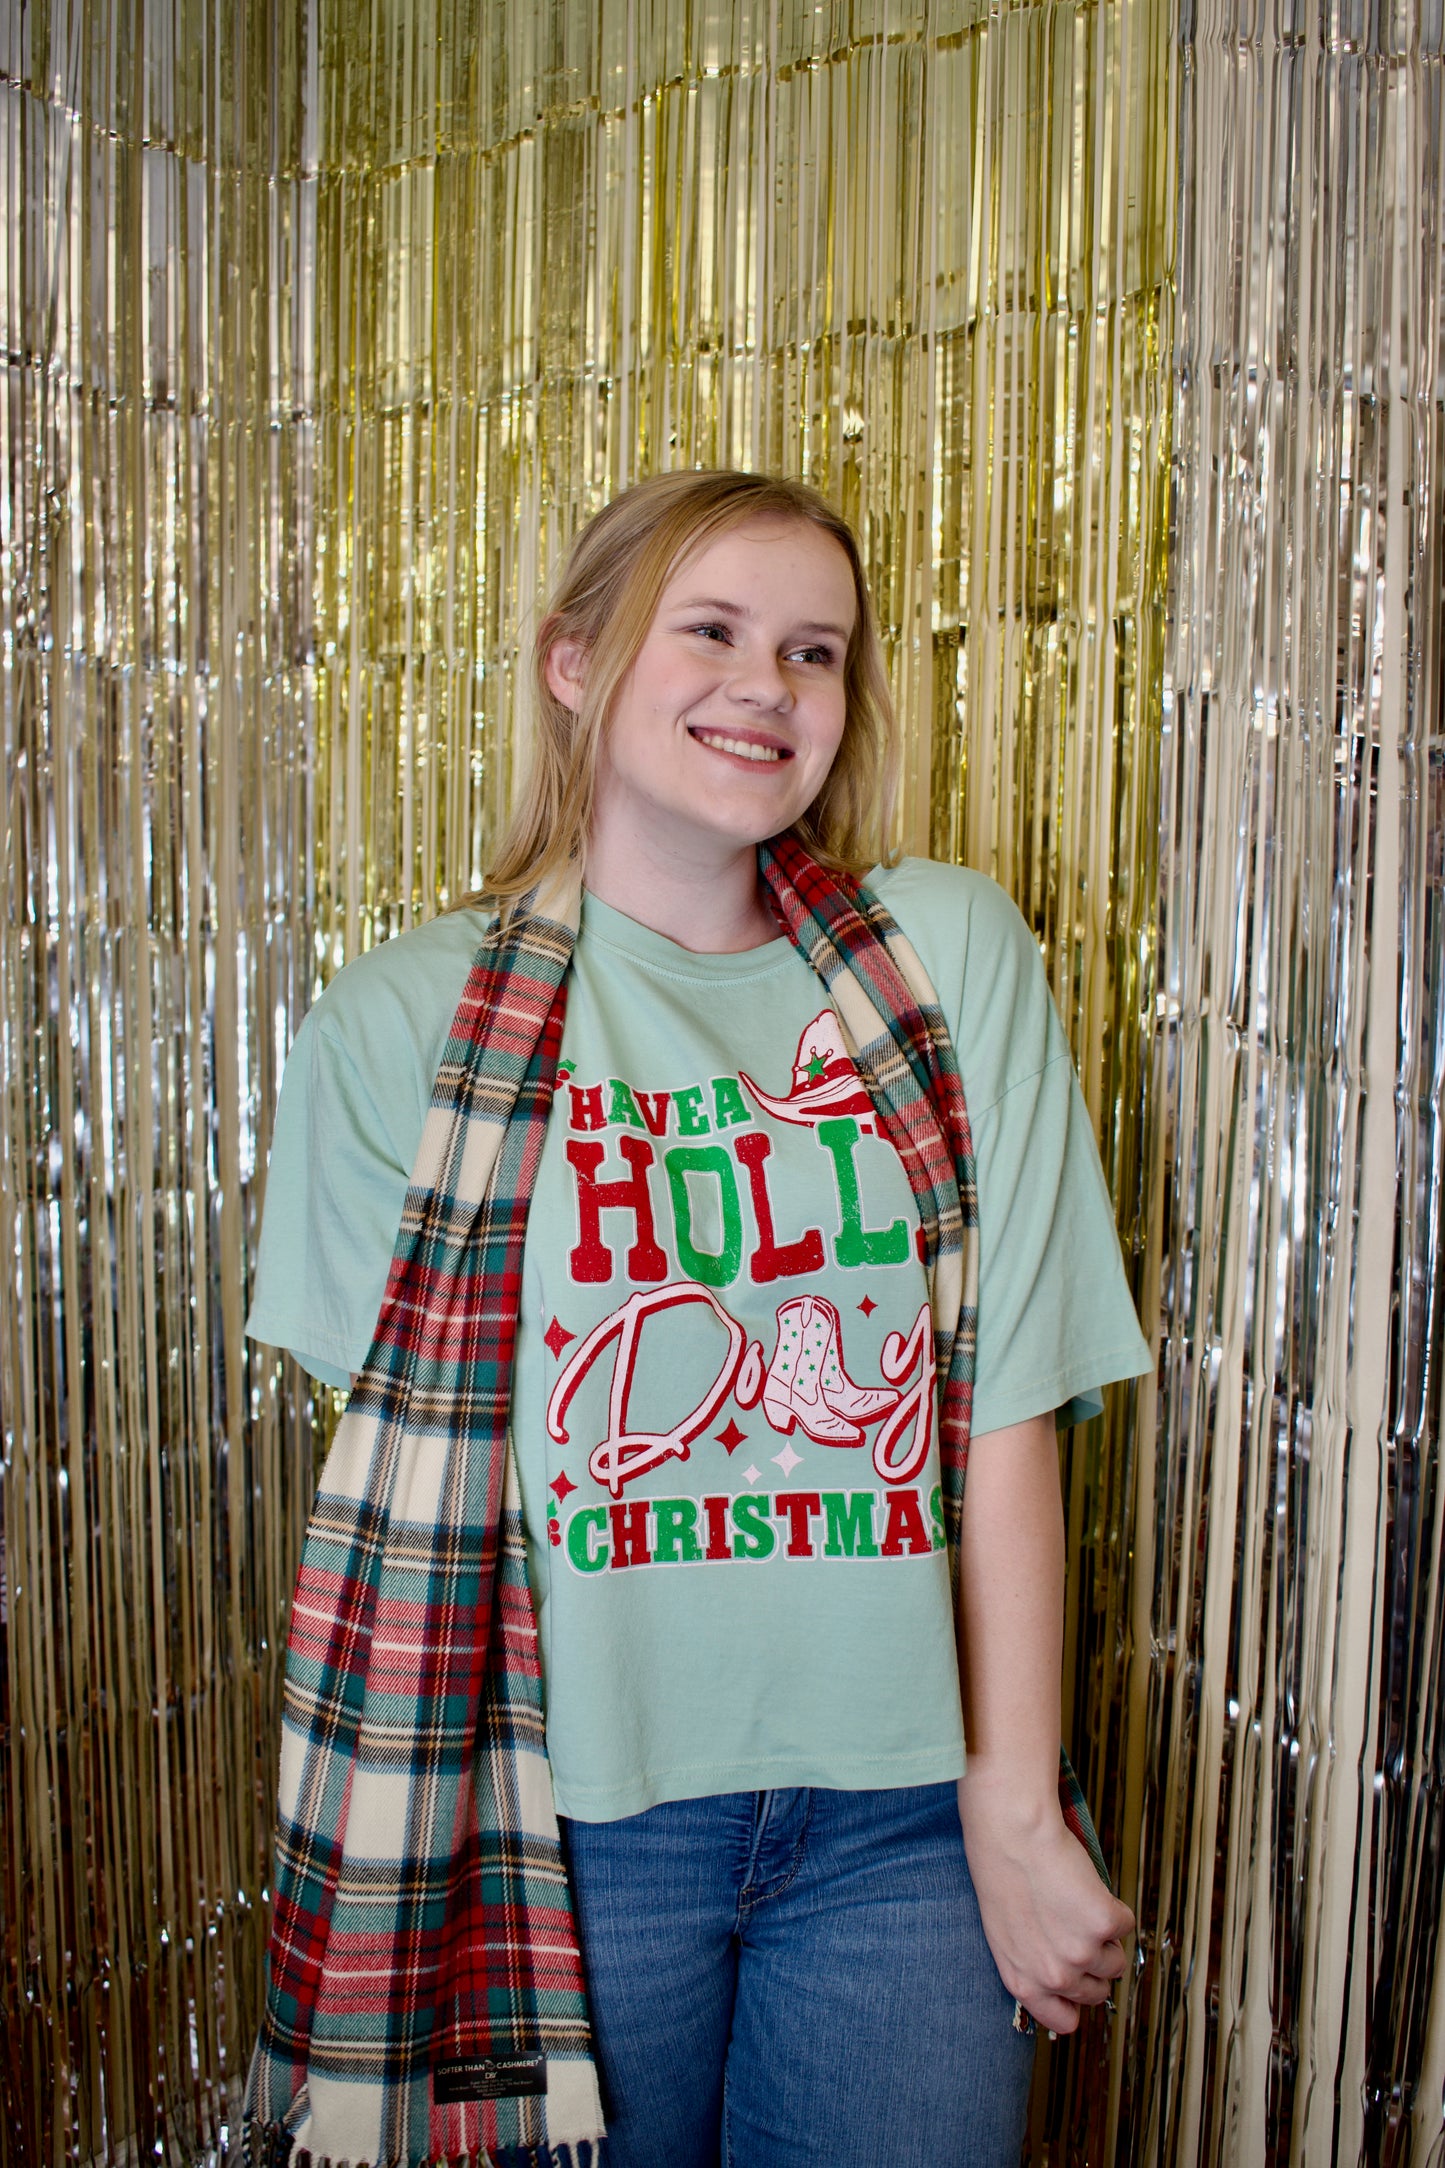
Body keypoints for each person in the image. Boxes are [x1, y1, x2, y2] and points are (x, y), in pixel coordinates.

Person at [242, 470, 1150, 2168]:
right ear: (572, 663)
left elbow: (1001, 1405)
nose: (769, 685)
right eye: (713, 630)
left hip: (905, 1821)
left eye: (815, 653)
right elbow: (428, 1486)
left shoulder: (946, 957)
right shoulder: (397, 1029)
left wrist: (1012, 1805)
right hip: (569, 1834)